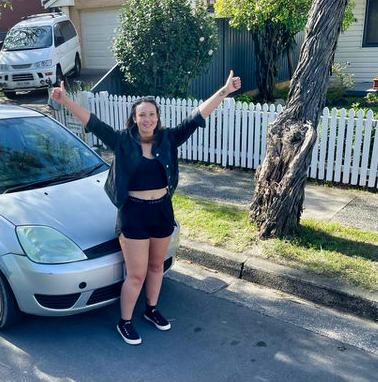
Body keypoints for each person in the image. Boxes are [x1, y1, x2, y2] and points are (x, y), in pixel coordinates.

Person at [51, 71, 241, 345]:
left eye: (151, 114)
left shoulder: (168, 139)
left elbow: (197, 115)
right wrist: (66, 101)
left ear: (157, 118)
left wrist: (224, 91)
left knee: (156, 266)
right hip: (134, 214)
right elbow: (92, 122)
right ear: (134, 118)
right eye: (142, 115)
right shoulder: (121, 140)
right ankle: (125, 321)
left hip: (162, 210)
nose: (147, 119)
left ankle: (151, 309)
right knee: (136, 272)